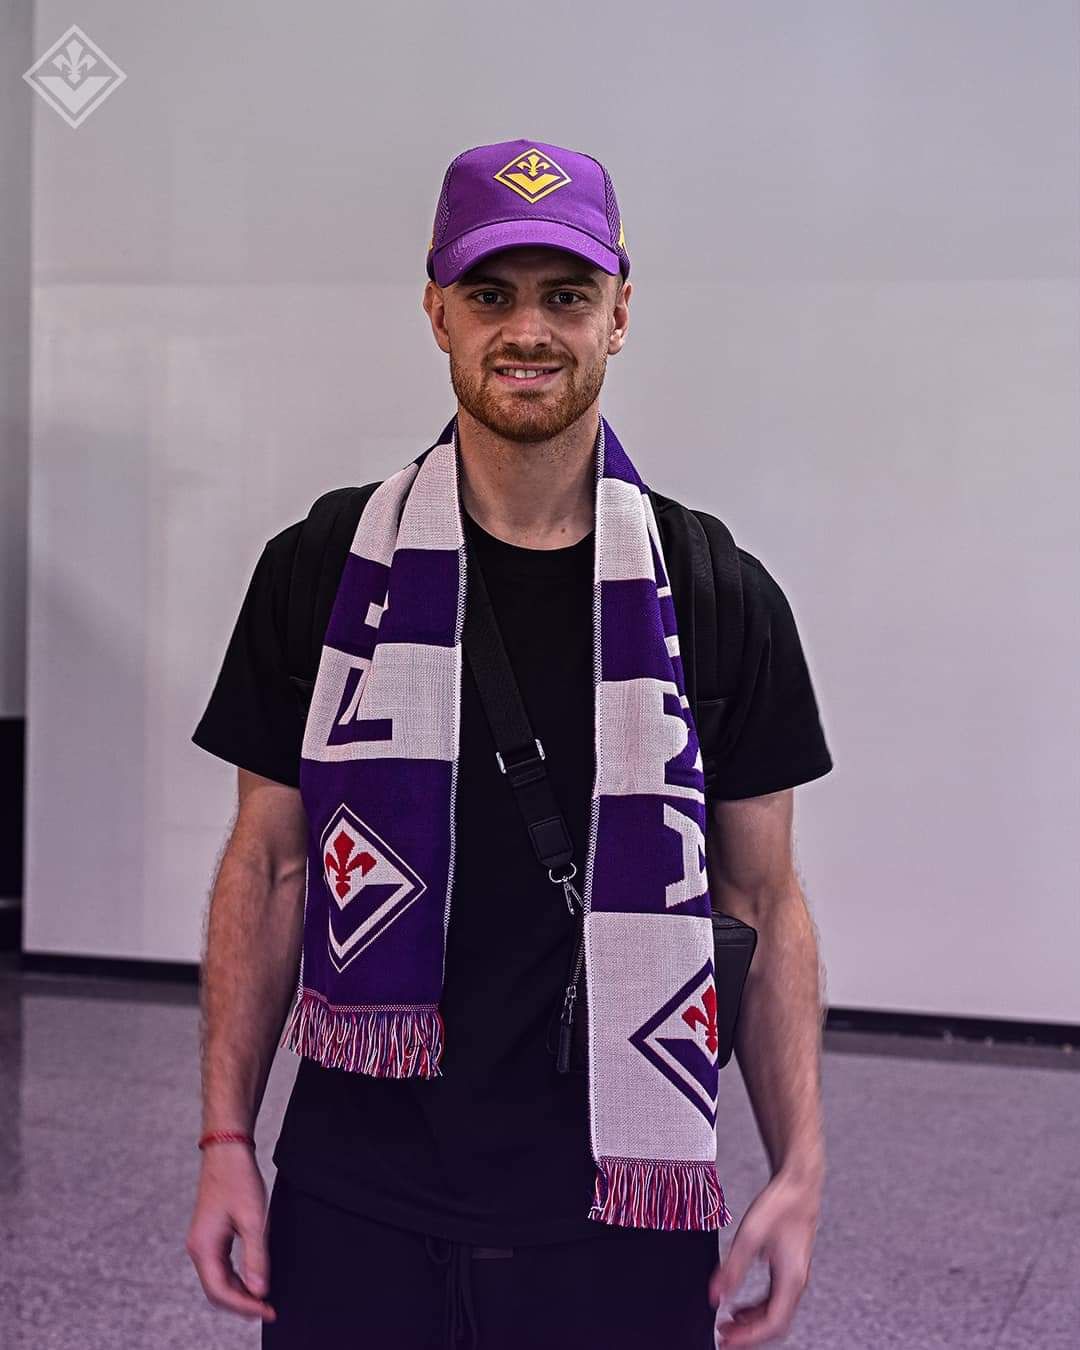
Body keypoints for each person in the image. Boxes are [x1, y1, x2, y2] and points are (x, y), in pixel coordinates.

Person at [185, 138, 834, 1349]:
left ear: (619, 315)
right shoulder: (322, 570)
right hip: (357, 1195)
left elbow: (761, 895)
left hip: (617, 1210)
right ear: (437, 310)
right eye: (490, 294)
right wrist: (226, 1138)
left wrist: (799, 1164)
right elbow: (268, 867)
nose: (527, 330)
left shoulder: (716, 594)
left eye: (566, 295)